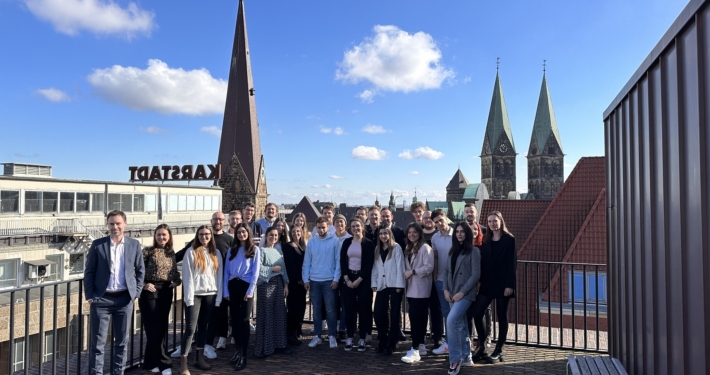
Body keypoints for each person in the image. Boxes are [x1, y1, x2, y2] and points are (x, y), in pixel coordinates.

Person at [84, 210, 145, 375]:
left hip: (125, 300)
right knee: (97, 344)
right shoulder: (98, 245)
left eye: (118, 223)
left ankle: (118, 372)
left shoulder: (134, 245)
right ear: (107, 225)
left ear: (125, 224)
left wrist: (136, 293)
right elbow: (89, 272)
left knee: (122, 343)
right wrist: (90, 297)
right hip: (101, 300)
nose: (115, 227)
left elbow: (140, 271)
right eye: (111, 224)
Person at [471, 211, 516, 364]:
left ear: (500, 221)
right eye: (489, 221)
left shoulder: (509, 239)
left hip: (504, 284)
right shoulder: (486, 239)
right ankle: (482, 346)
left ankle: (499, 349)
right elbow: (483, 262)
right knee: (477, 313)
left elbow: (512, 264)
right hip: (488, 282)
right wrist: (479, 282)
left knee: (501, 316)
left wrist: (510, 285)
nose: (492, 224)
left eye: (495, 221)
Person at [180, 225, 223, 374]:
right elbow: (188, 277)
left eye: (207, 234)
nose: (204, 237)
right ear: (197, 236)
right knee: (191, 329)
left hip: (210, 295)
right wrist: (189, 299)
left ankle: (199, 357)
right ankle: (183, 362)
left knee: (203, 327)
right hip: (195, 296)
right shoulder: (190, 253)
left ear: (211, 236)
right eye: (201, 234)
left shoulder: (216, 253)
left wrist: (218, 298)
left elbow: (219, 277)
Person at [139, 224, 181, 375]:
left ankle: (149, 363)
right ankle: (164, 363)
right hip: (150, 291)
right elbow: (135, 271)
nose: (161, 237)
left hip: (166, 291)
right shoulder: (147, 251)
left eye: (164, 235)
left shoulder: (171, 252)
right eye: (158, 235)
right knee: (153, 328)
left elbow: (175, 273)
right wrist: (143, 284)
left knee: (161, 327)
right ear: (155, 236)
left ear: (169, 236)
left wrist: (177, 281)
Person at [443, 222, 481, 374]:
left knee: (451, 321)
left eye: (462, 231)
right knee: (461, 325)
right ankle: (466, 356)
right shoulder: (453, 251)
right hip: (451, 293)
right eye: (457, 231)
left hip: (465, 294)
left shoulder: (474, 251)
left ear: (467, 233)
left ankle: (455, 358)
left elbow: (475, 275)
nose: (459, 234)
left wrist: (462, 292)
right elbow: (446, 272)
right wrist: (445, 289)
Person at [223, 223, 260, 371]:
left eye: (244, 232)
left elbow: (255, 272)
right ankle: (237, 351)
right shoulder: (232, 250)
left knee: (244, 320)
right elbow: (226, 272)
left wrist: (250, 290)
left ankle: (244, 354)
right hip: (233, 285)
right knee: (235, 320)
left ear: (248, 233)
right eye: (239, 232)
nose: (241, 234)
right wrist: (226, 291)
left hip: (246, 286)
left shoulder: (254, 250)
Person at [303, 217, 341, 349]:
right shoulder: (312, 242)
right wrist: (306, 279)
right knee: (317, 310)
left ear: (328, 226)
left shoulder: (335, 241)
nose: (321, 230)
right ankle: (317, 336)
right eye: (319, 227)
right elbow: (307, 262)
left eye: (323, 227)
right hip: (314, 280)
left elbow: (338, 261)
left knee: (331, 310)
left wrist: (336, 278)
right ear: (316, 227)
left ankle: (331, 336)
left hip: (329, 280)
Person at [254, 227, 292, 358]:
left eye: (276, 236)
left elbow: (284, 270)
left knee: (280, 315)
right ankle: (266, 347)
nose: (274, 238)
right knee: (267, 315)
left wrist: (286, 285)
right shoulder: (261, 251)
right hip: (266, 285)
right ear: (267, 236)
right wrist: (272, 269)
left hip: (278, 285)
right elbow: (258, 269)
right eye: (271, 235)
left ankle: (280, 345)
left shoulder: (278, 251)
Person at [400, 223, 434, 364]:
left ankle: (415, 349)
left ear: (420, 233)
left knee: (416, 318)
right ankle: (420, 345)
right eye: (409, 232)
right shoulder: (408, 248)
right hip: (412, 288)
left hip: (421, 288)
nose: (411, 235)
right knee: (416, 318)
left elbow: (429, 267)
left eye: (414, 232)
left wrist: (413, 272)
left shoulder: (425, 248)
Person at [339, 217, 374, 352]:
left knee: (364, 310)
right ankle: (349, 337)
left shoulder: (368, 243)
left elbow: (369, 264)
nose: (355, 228)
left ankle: (362, 338)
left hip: (363, 280)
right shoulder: (347, 242)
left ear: (362, 227)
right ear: (350, 228)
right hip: (348, 279)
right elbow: (342, 261)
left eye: (358, 226)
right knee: (349, 310)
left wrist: (359, 279)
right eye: (353, 226)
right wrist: (347, 279)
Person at [371, 227, 405, 356]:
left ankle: (392, 341)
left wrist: (399, 285)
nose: (383, 236)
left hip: (394, 284)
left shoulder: (396, 248)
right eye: (381, 233)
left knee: (395, 314)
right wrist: (374, 282)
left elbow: (400, 266)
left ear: (390, 234)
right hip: (381, 285)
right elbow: (375, 268)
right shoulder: (377, 249)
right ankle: (382, 338)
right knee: (379, 312)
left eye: (385, 233)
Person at [205, 212, 233, 356]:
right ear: (211, 221)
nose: (218, 222)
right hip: (206, 283)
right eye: (216, 219)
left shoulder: (229, 239)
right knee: (207, 314)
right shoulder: (205, 237)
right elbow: (186, 251)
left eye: (221, 220)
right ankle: (204, 343)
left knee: (222, 311)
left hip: (224, 281)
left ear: (225, 222)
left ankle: (222, 337)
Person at [431, 209, 454, 355]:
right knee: (446, 312)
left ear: (446, 217)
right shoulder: (434, 238)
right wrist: (434, 277)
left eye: (441, 220)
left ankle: (460, 342)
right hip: (440, 280)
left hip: (456, 281)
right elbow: (435, 258)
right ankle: (449, 343)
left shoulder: (457, 234)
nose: (439, 223)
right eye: (436, 222)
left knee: (457, 313)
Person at [465, 221, 490, 352]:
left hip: (482, 285)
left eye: (476, 229)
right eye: (470, 229)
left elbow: (486, 267)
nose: (473, 231)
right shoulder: (464, 246)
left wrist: (480, 282)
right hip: (468, 286)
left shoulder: (484, 246)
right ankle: (469, 342)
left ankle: (482, 343)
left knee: (479, 314)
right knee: (468, 315)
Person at [422, 209, 444, 350]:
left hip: (436, 276)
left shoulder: (438, 235)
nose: (428, 220)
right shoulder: (418, 234)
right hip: (422, 278)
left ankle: (438, 337)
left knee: (437, 309)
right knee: (422, 309)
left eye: (430, 218)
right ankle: (421, 336)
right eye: (425, 218)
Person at [283, 225, 307, 345]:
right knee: (293, 309)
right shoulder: (288, 246)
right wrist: (298, 280)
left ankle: (297, 331)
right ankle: (290, 335)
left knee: (301, 308)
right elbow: (290, 266)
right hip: (294, 284)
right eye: (293, 231)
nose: (296, 233)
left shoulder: (303, 247)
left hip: (303, 284)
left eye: (298, 231)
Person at [333, 214, 352, 340]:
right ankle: (333, 328)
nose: (339, 224)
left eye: (341, 222)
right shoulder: (330, 238)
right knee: (333, 303)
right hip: (332, 275)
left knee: (346, 304)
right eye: (337, 222)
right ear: (333, 224)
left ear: (346, 224)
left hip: (346, 275)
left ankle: (342, 329)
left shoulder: (350, 238)